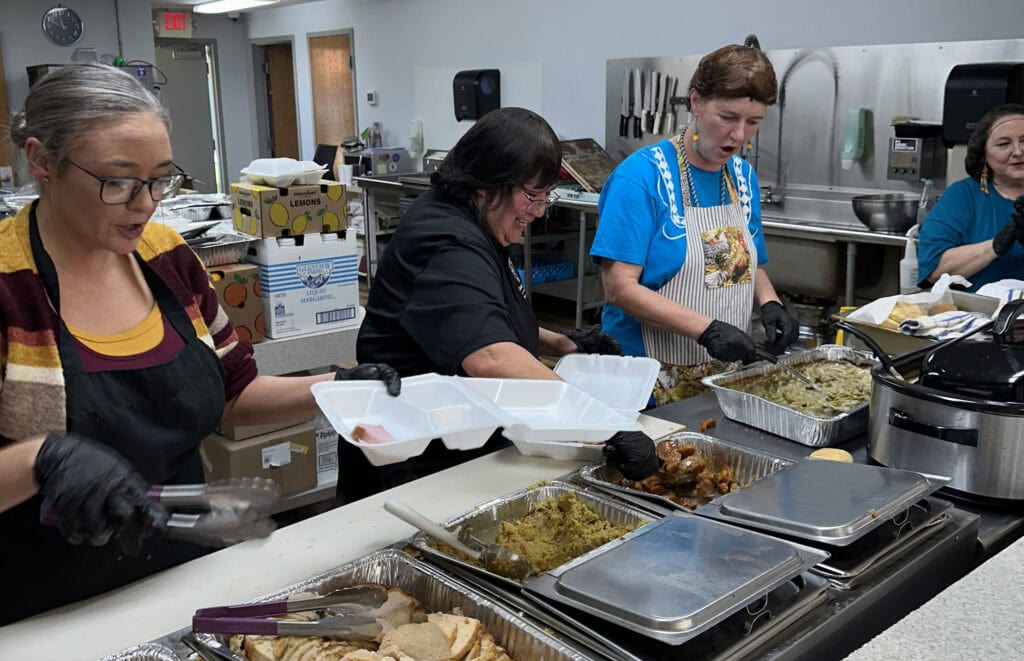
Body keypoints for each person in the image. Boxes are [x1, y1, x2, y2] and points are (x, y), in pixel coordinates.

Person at [0, 63, 398, 625]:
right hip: (43, 608)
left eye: (161, 178)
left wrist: (334, 387)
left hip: (182, 575)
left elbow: (235, 393)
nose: (146, 203)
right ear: (42, 161)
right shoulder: (8, 286)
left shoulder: (167, 258)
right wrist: (43, 459)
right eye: (118, 181)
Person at [342, 107, 658, 502]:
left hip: (457, 438)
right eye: (532, 195)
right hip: (410, 459)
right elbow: (489, 355)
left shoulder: (476, 221)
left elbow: (480, 316)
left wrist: (561, 343)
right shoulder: (445, 241)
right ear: (485, 183)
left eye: (546, 196)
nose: (540, 211)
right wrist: (605, 424)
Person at [591, 45, 799, 404]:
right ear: (696, 102)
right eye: (728, 117)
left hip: (722, 374)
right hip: (648, 376)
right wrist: (706, 330)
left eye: (753, 122)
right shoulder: (640, 178)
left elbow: (738, 266)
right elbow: (619, 289)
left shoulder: (741, 177)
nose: (738, 136)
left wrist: (769, 303)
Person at [918, 103, 1024, 292]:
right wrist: (995, 245)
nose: (1018, 151)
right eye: (1003, 144)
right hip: (978, 316)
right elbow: (934, 272)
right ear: (984, 154)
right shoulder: (963, 196)